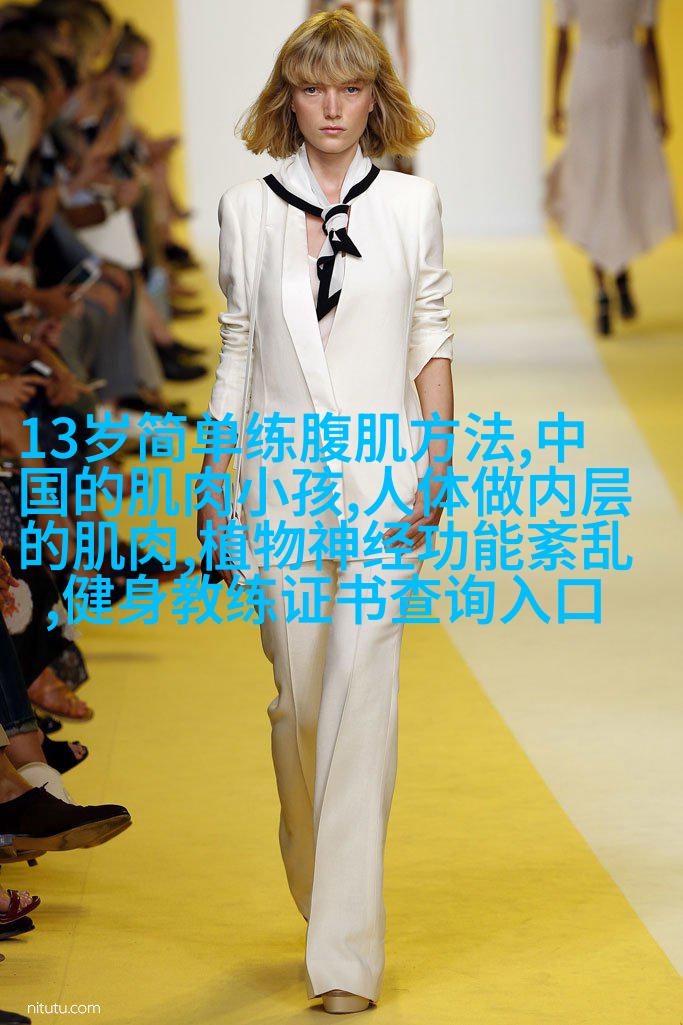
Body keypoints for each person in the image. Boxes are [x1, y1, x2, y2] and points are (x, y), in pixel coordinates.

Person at [197, 9, 454, 1014]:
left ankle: (344, 954)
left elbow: (429, 334)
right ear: (288, 100)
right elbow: (236, 348)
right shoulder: (243, 209)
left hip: (383, 485)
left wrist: (438, 458)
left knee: (362, 699)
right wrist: (214, 480)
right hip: (277, 485)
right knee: (302, 705)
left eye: (351, 88)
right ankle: (315, 875)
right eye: (314, 89)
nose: (333, 107)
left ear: (376, 100)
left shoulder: (412, 204)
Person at [546, 0, 677, 336]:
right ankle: (618, 271)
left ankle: (603, 287)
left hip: (589, 72)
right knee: (620, 178)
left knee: (593, 181)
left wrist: (555, 102)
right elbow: (650, 41)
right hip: (626, 76)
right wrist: (662, 103)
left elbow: (562, 40)